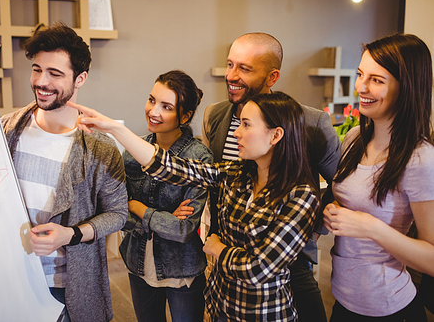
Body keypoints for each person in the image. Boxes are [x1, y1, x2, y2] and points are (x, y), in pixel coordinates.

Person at [68, 91, 321, 321]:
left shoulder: (300, 194)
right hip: (221, 305)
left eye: (246, 125)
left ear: (276, 134)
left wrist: (219, 249)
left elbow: (259, 269)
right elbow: (172, 168)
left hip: (262, 313)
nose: (236, 133)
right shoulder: (238, 174)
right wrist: (114, 129)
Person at [202, 32, 341, 321]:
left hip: (286, 252)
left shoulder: (310, 122)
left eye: (245, 69)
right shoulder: (214, 115)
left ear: (272, 76)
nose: (232, 75)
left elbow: (340, 182)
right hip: (228, 245)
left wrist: (314, 227)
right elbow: (212, 177)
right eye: (230, 64)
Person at [0, 23, 128, 322]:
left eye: (55, 74)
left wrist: (70, 235)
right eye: (36, 69)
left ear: (80, 78)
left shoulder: (100, 148)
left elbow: (118, 213)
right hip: (7, 279)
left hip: (66, 289)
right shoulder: (4, 130)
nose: (41, 82)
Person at [323, 33, 434, 321]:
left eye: (377, 80)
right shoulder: (355, 137)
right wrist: (333, 212)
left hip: (388, 308)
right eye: (361, 74)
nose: (361, 87)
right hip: (343, 300)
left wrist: (369, 226)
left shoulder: (420, 159)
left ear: (406, 88)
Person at [119, 70, 212, 322]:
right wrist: (165, 219)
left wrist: (139, 207)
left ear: (185, 116)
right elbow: (118, 214)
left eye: (166, 106)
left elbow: (183, 230)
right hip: (137, 263)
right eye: (151, 100)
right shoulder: (133, 152)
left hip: (182, 269)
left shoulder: (198, 158)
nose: (153, 111)